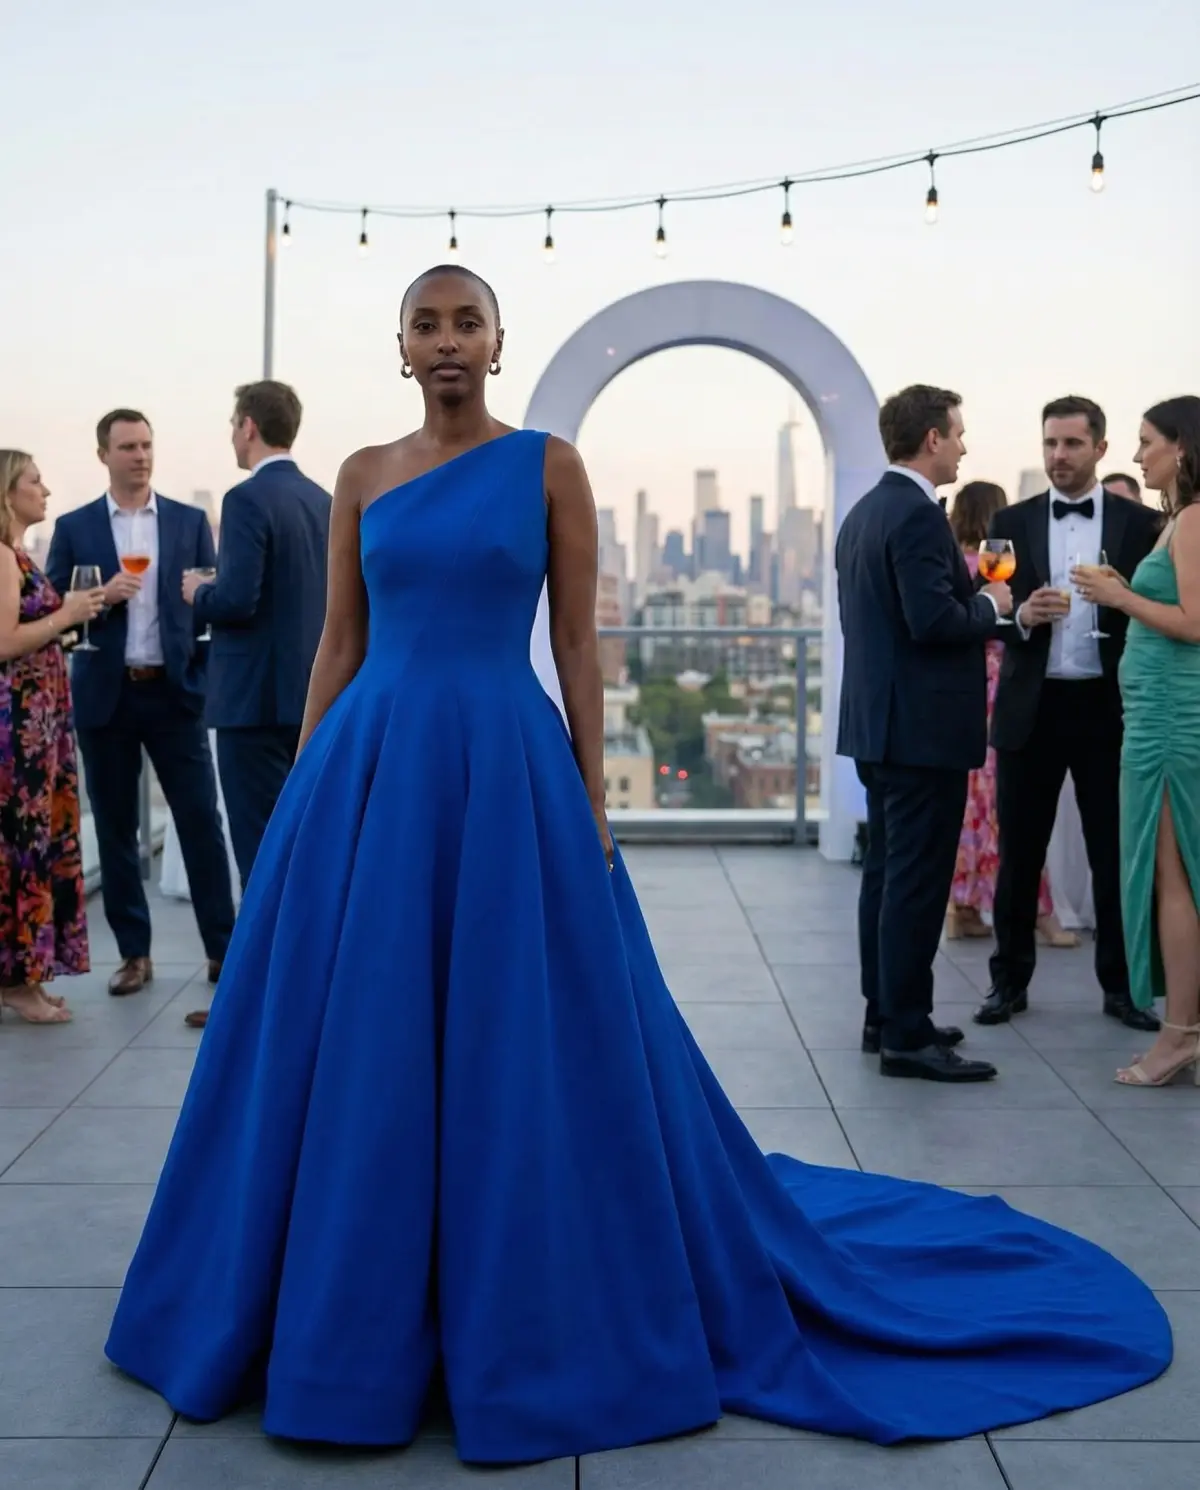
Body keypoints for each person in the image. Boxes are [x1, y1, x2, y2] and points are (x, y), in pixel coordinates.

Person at [104, 269, 1170, 1465]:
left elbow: (574, 641)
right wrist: (306, 783)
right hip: (368, 766)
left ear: (497, 344)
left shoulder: (549, 464)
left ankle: (514, 1280)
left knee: (519, 1029)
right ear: (399, 345)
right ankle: (339, 1298)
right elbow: (339, 643)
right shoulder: (360, 473)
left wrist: (591, 791)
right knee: (359, 1031)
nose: (447, 340)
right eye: (427, 323)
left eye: (468, 322)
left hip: (504, 761)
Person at [836, 388, 1009, 1081]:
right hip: (920, 733)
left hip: (882, 728)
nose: (965, 446)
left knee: (886, 878)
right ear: (932, 438)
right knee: (913, 884)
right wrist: (991, 607)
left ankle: (887, 1014)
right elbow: (933, 621)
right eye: (959, 434)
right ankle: (906, 1034)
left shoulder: (866, 512)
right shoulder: (912, 515)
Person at [976, 396, 1161, 1032]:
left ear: (1100, 449)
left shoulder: (1140, 525)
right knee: (1019, 854)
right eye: (1051, 443)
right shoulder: (1010, 517)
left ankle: (1123, 988)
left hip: (1108, 708)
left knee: (1115, 854)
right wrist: (1023, 615)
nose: (1059, 456)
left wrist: (1119, 598)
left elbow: (1157, 612)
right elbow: (995, 605)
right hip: (1032, 706)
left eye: (1072, 445)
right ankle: (1008, 984)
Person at [44, 410, 236, 996]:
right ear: (104, 455)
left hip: (175, 695)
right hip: (107, 696)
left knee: (201, 823)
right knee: (118, 829)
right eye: (128, 446)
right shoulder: (75, 527)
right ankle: (134, 955)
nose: (140, 455)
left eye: (147, 444)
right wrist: (100, 597)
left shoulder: (186, 521)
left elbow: (207, 603)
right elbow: (56, 613)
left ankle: (222, 953)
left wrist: (199, 677)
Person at [179, 381, 331, 1029]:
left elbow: (239, 599)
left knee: (260, 853)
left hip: (248, 708)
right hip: (313, 701)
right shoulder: (324, 501)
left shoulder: (245, 500)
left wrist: (198, 592)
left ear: (247, 427)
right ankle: (311, 986)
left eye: (231, 424)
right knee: (305, 847)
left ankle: (255, 1003)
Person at [1075, 396, 1200, 1085]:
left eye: (1146, 441)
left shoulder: (1194, 520)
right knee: (1174, 875)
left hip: (1173, 724)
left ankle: (1178, 1037)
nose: (1136, 454)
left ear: (1181, 447)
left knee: (1173, 877)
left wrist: (1121, 599)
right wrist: (1124, 588)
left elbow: (1194, 622)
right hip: (1158, 715)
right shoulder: (1177, 521)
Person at [946, 480, 1077, 946]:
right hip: (1003, 690)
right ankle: (1040, 912)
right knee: (1014, 810)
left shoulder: (952, 567)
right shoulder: (996, 570)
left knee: (973, 807)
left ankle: (962, 905)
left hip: (962, 693)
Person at [0, 452, 103, 1024]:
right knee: (21, 847)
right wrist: (67, 615)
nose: (45, 489)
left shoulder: (16, 557)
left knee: (33, 844)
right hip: (17, 735)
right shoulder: (1, 558)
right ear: (6, 492)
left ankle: (28, 979)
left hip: (37, 728)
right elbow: (5, 641)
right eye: (33, 481)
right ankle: (17, 982)